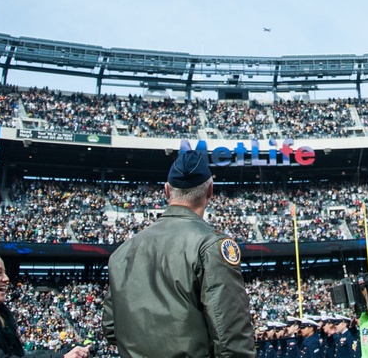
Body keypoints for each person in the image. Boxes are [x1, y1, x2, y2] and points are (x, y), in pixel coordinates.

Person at [103, 142, 255, 358]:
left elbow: (111, 327)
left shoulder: (123, 251)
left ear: (167, 190)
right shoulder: (210, 246)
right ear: (210, 191)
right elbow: (231, 338)